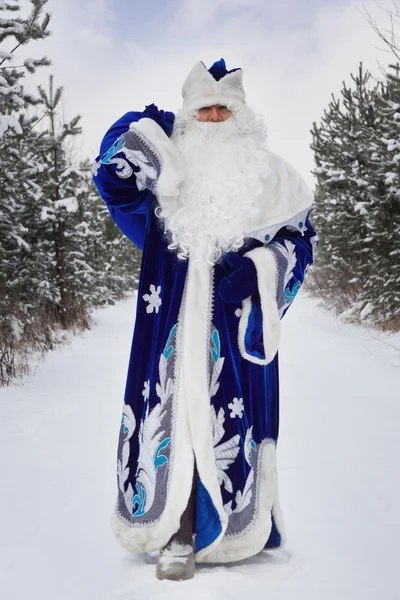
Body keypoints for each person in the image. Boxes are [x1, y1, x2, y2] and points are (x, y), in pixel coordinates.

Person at [92, 58, 318, 581]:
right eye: (204, 110)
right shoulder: (166, 180)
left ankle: (239, 527)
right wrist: (138, 124)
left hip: (235, 330)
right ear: (187, 119)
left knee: (228, 420)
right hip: (171, 323)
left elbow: (301, 240)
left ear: (241, 117)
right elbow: (112, 179)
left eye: (224, 109)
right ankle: (177, 531)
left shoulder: (274, 177)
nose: (215, 118)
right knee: (175, 420)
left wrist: (260, 273)